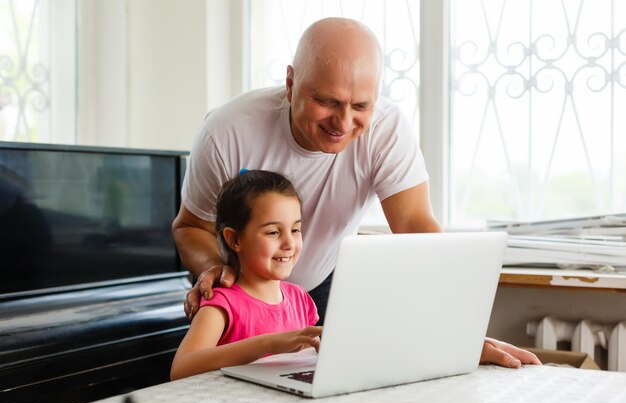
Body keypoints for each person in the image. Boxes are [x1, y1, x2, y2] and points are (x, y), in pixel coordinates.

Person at [172, 17, 541, 369]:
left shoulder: (385, 130)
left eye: (361, 106)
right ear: (290, 83)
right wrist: (216, 271)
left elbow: (415, 226)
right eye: (328, 102)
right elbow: (189, 228)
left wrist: (456, 336)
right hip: (240, 293)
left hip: (314, 293)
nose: (344, 123)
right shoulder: (227, 131)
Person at [170, 170, 321, 380]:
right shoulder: (221, 304)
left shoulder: (300, 299)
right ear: (235, 240)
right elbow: (181, 369)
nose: (289, 244)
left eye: (295, 230)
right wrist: (269, 344)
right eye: (273, 232)